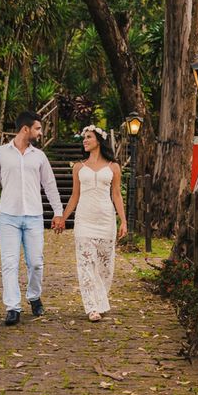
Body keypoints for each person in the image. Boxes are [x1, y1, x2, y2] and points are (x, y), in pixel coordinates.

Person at [0, 111, 64, 326]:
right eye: (37, 128)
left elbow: (50, 185)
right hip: (8, 216)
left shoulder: (39, 156)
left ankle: (34, 296)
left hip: (34, 216)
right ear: (25, 129)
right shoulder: (0, 153)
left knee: (36, 263)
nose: (40, 132)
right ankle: (12, 307)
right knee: (9, 262)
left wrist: (58, 212)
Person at [57, 125, 127, 322]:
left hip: (106, 221)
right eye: (84, 138)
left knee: (105, 267)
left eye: (88, 137)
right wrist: (63, 218)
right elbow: (74, 196)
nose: (84, 140)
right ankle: (92, 307)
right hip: (84, 221)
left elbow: (117, 195)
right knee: (86, 265)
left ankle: (100, 300)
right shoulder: (79, 167)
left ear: (99, 140)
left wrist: (123, 221)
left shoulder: (113, 166)